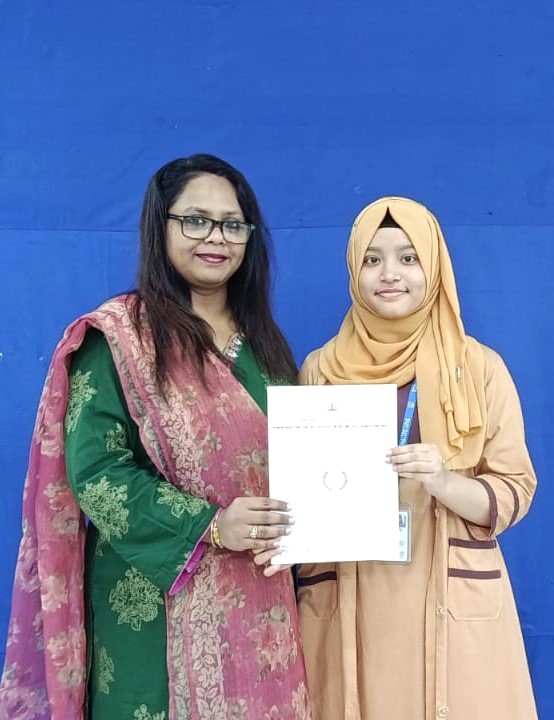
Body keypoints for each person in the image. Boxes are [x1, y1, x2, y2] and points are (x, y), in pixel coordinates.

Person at [0, 154, 312, 720]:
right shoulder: (121, 338)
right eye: (196, 220)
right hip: (153, 611)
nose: (216, 237)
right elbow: (98, 473)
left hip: (261, 603)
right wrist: (211, 525)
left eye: (232, 224)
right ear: (159, 226)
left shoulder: (266, 347)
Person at [295, 197, 537, 720]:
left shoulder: (478, 367)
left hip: (446, 585)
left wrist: (443, 481)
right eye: (372, 259)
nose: (390, 274)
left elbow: (516, 489)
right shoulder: (320, 368)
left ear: (434, 266)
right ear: (353, 270)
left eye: (409, 258)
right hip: (353, 589)